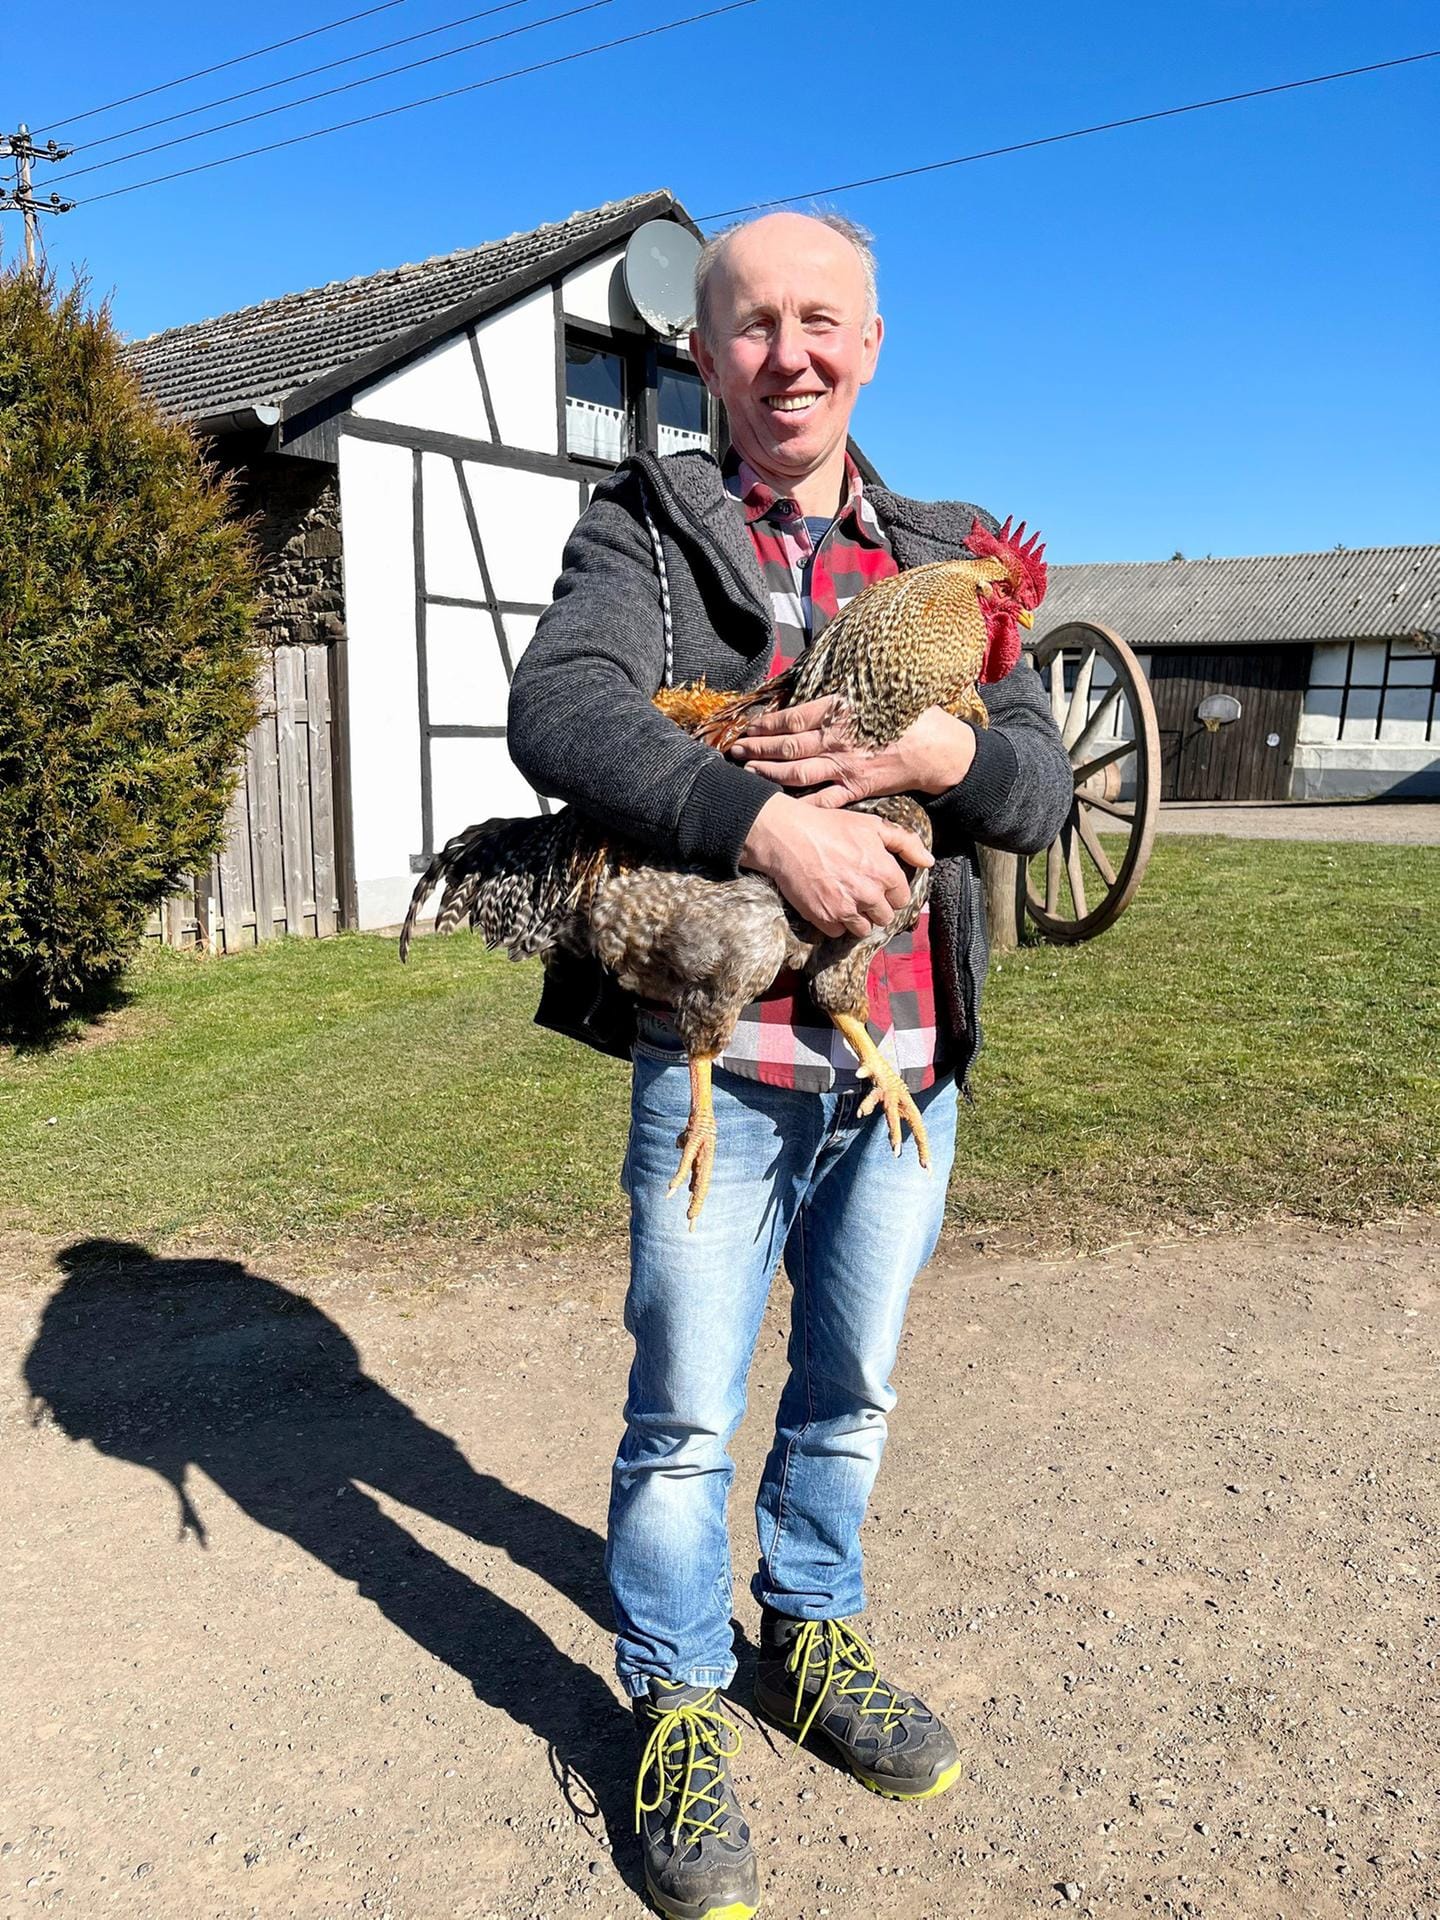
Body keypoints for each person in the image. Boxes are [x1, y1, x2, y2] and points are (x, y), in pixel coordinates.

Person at [507, 210, 1073, 1920]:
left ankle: (809, 1637)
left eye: (824, 323)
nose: (790, 356)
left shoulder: (947, 549)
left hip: (908, 1060)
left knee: (849, 1389)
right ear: (703, 351)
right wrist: (763, 825)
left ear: (873, 342)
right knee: (683, 1412)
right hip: (720, 1054)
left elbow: (1038, 793)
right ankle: (678, 1698)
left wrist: (930, 746)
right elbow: (564, 712)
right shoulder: (647, 529)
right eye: (753, 326)